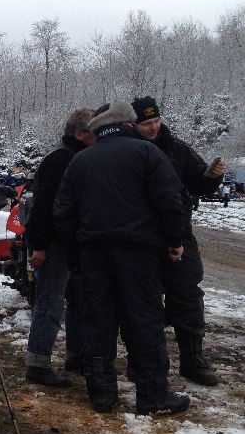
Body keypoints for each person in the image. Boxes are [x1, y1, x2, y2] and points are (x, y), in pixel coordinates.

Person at [54, 101, 190, 415]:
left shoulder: (80, 161)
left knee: (97, 321)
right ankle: (152, 395)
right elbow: (169, 201)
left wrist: (77, 253)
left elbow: (63, 213)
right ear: (128, 124)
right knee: (144, 319)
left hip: (93, 254)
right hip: (139, 253)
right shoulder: (147, 153)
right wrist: (174, 241)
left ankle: (101, 394)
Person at [131, 96, 226, 386]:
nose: (153, 127)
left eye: (156, 121)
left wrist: (212, 177)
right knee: (143, 302)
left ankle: (192, 361)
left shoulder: (177, 148)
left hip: (179, 234)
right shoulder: (127, 150)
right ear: (133, 125)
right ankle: (142, 364)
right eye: (146, 123)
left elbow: (199, 182)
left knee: (187, 297)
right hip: (141, 238)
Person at [22, 108, 95, 387]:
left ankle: (76, 356)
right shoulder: (61, 160)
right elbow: (42, 207)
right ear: (79, 134)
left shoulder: (71, 157)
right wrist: (39, 247)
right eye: (94, 132)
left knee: (78, 299)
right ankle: (37, 363)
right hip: (53, 244)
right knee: (50, 303)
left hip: (69, 243)